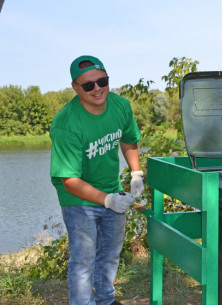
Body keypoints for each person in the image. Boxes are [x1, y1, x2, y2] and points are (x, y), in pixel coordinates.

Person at [50, 55, 145, 305]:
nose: (97, 89)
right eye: (88, 85)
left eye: (102, 81)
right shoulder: (66, 123)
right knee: (83, 259)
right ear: (75, 87)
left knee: (111, 254)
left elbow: (128, 139)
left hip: (110, 188)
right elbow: (69, 180)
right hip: (78, 197)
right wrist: (107, 200)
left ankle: (105, 299)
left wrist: (136, 173)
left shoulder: (120, 105)